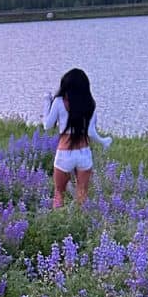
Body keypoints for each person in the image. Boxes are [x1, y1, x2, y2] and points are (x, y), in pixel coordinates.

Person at [42, 68, 111, 208]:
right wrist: (104, 141)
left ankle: (58, 222)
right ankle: (81, 223)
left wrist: (46, 102)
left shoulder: (59, 102)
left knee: (59, 193)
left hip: (64, 154)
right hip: (84, 153)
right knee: (82, 193)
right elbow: (91, 132)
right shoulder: (90, 104)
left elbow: (47, 126)